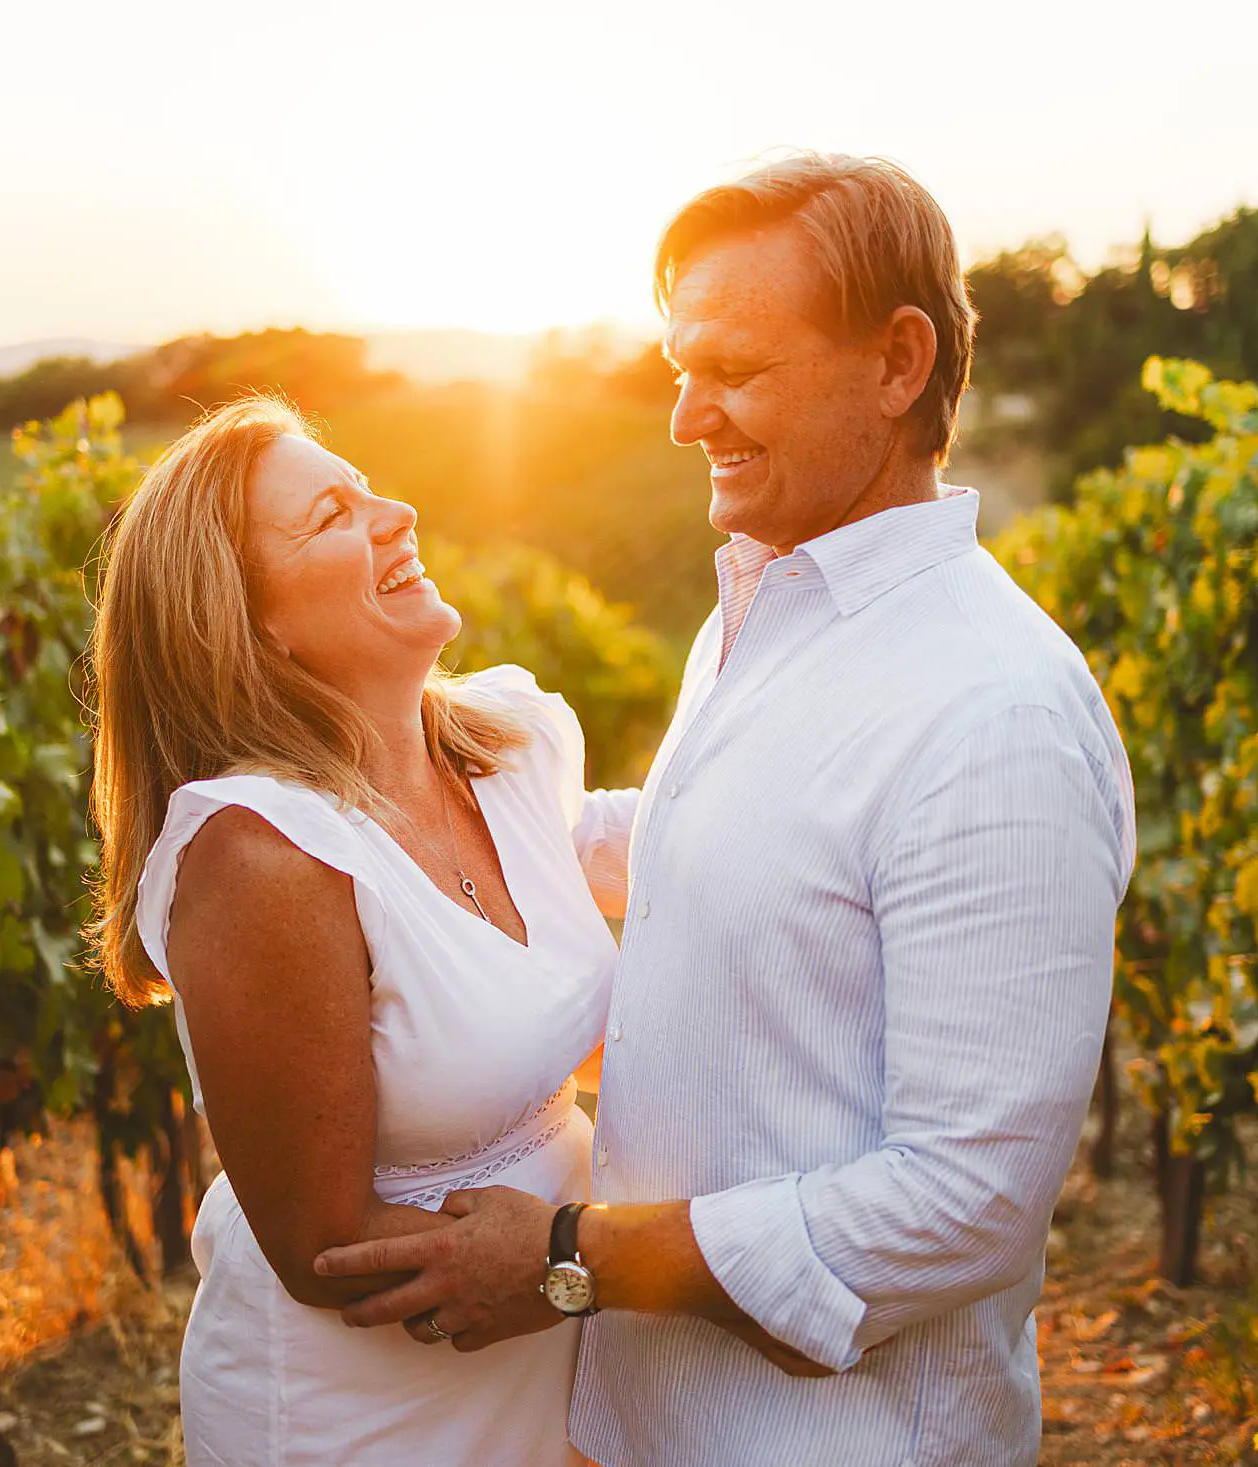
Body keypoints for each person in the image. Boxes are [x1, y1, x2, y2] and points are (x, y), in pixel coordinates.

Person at [314, 153, 1137, 1466]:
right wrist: (415, 782)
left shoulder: (995, 716)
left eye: (736, 371)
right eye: (678, 369)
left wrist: (571, 1255)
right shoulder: (762, 599)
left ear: (898, 362)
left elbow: (969, 1198)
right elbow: (715, 848)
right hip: (646, 1420)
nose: (688, 418)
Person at [86, 396, 633, 1465]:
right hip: (367, 1410)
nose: (400, 512)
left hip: (550, 1359)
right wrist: (609, 1264)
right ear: (249, 624)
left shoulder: (513, 749)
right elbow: (320, 1246)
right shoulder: (263, 857)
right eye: (336, 513)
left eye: (370, 485)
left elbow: (677, 856)